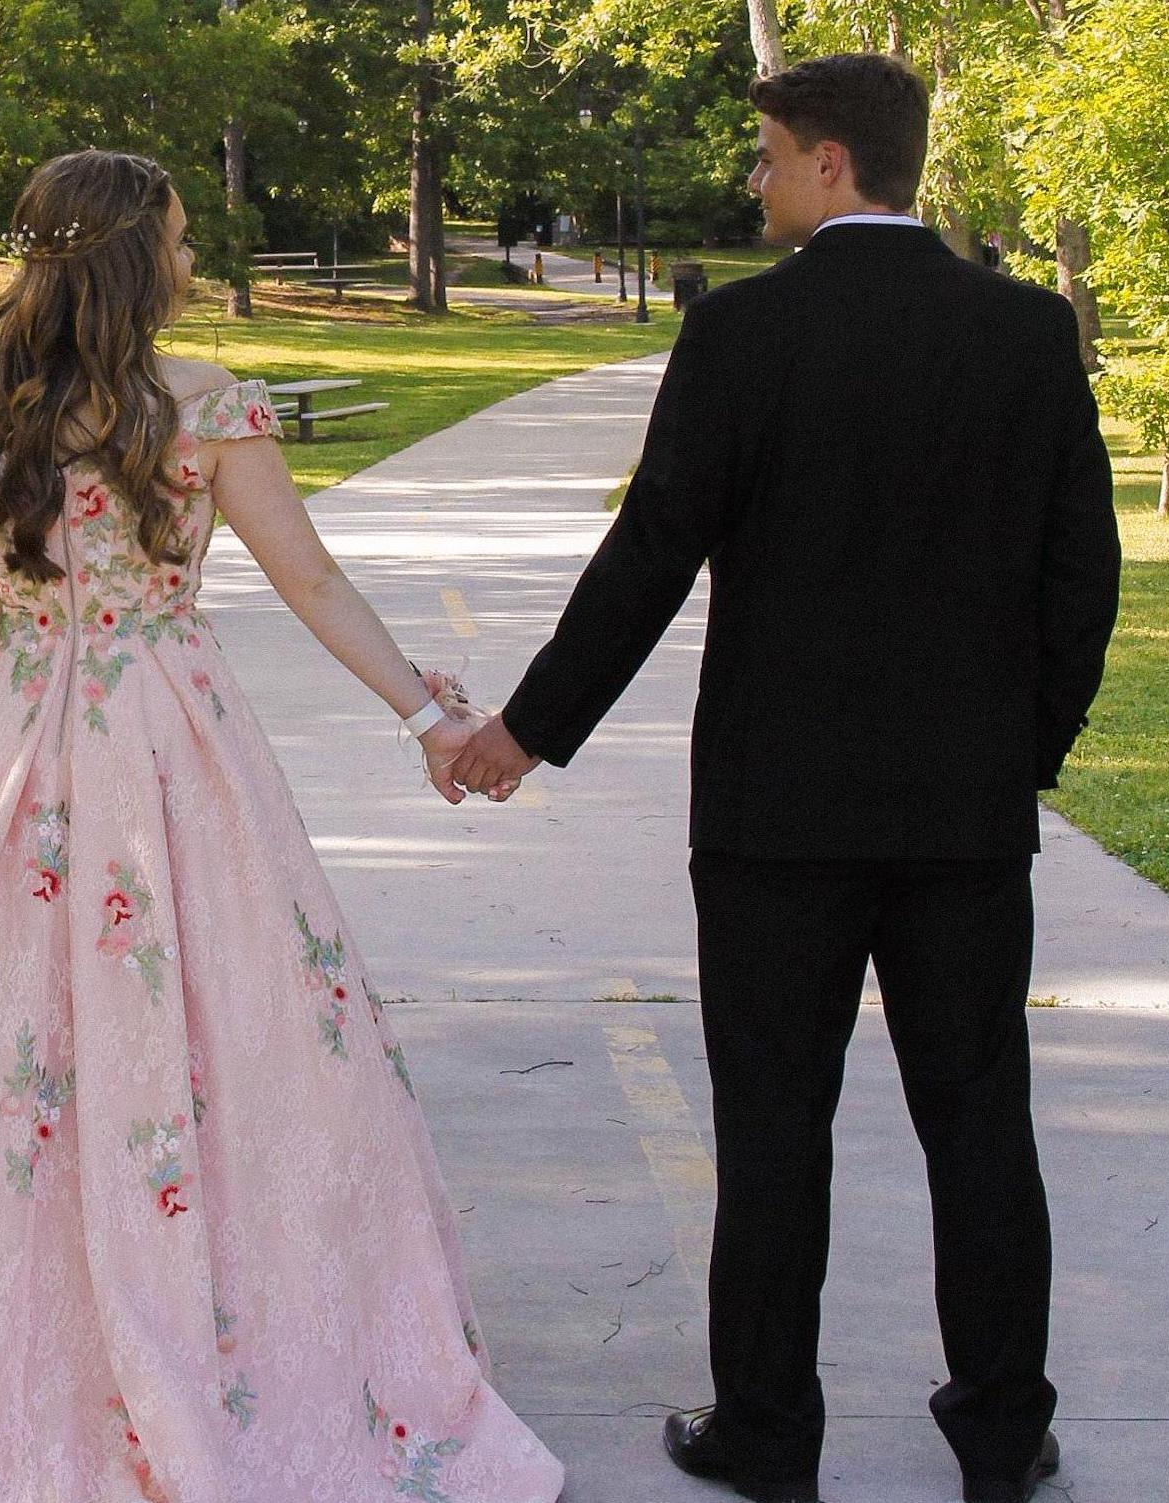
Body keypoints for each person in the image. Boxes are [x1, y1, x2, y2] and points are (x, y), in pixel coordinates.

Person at [0, 149, 563, 1503]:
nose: (196, 259)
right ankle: (195, 1322)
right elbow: (311, 580)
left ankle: (9, 1340)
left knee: (3, 1042)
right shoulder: (203, 408)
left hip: (17, 728)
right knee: (222, 1021)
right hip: (167, 739)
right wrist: (423, 715)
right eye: (185, 237)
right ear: (138, 257)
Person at [452, 52, 1119, 1503]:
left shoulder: (742, 337)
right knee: (981, 1125)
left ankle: (770, 1431)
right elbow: (1086, 582)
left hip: (775, 818)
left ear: (830, 163)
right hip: (962, 816)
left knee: (772, 1129)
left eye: (764, 158)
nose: (751, 184)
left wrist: (524, 731)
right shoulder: (1026, 334)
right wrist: (1020, 758)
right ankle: (1003, 1433)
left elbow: (650, 556)